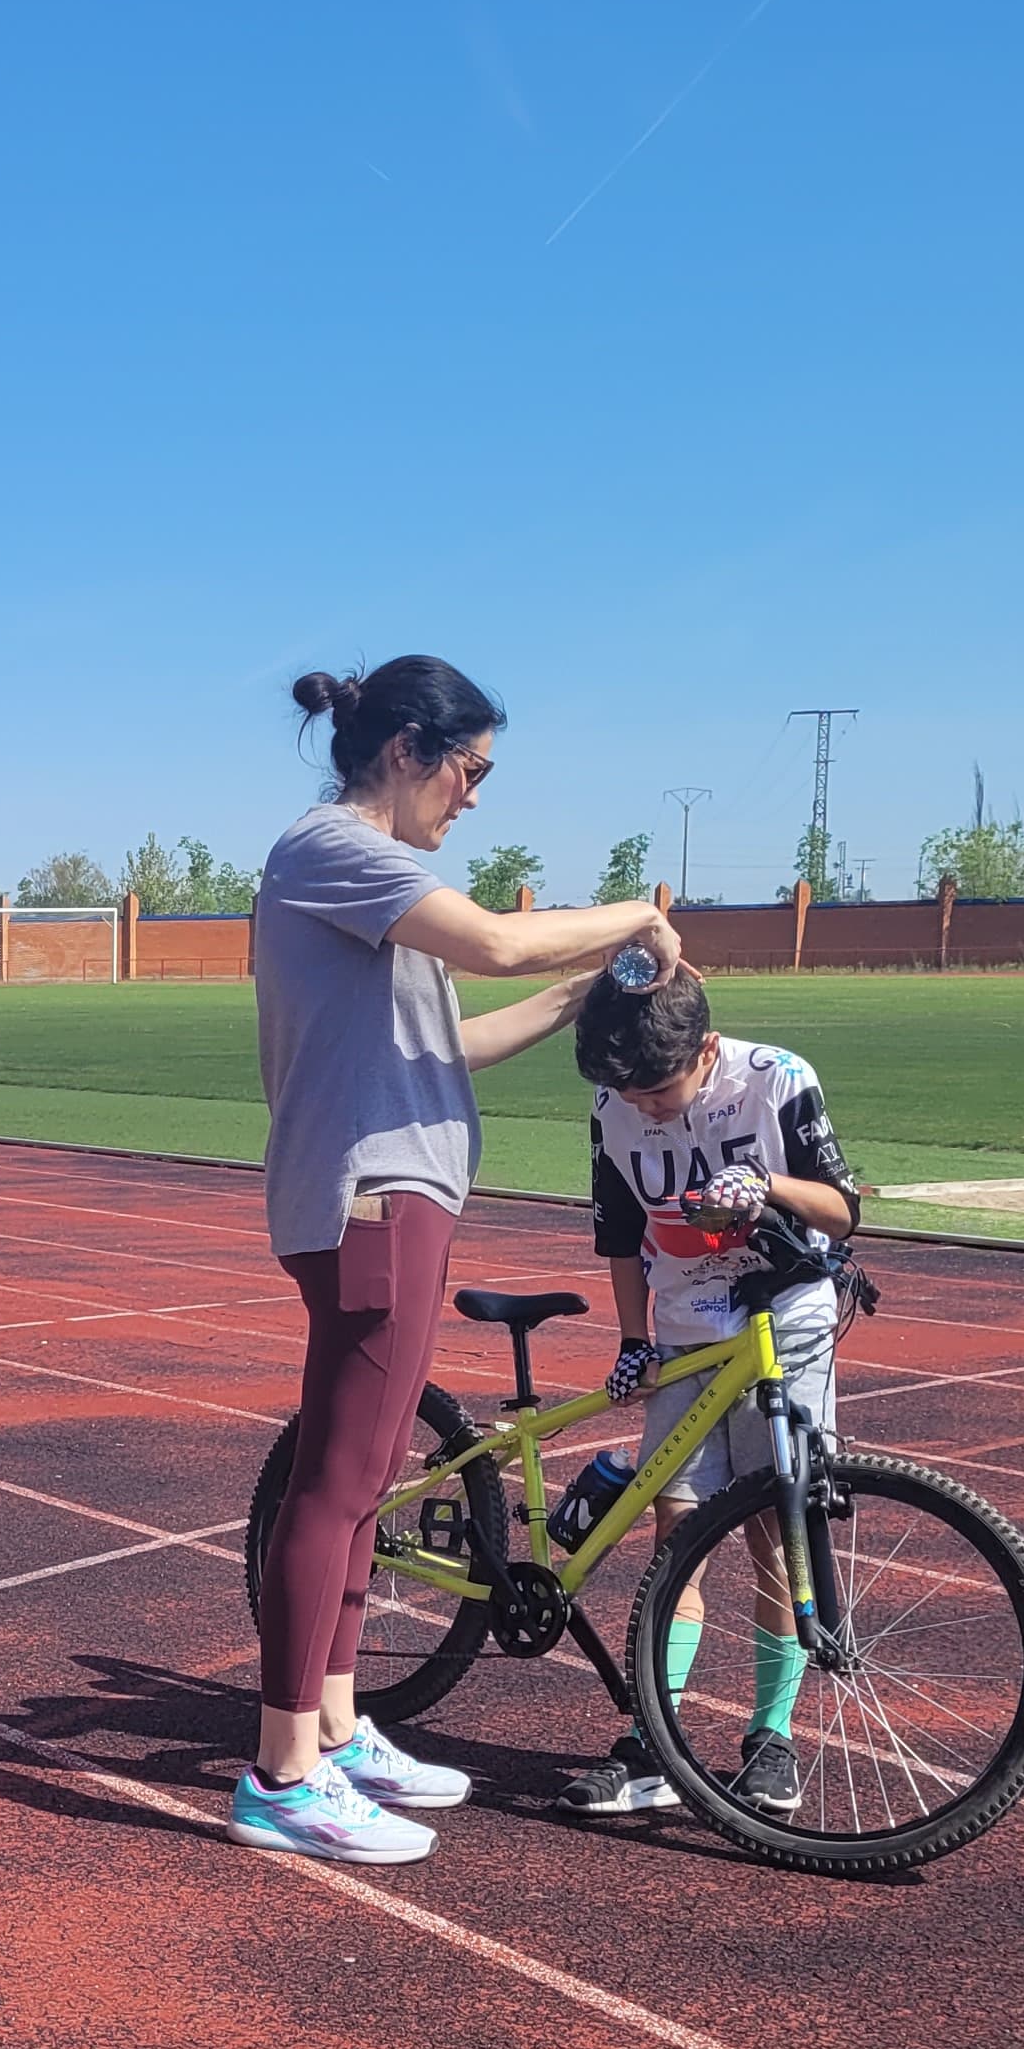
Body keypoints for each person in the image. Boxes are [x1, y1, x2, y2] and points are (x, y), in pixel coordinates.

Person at [238, 657, 682, 1864]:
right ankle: (283, 1770)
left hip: (401, 1193)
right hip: (370, 1199)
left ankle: (331, 1724)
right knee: (335, 1484)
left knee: (368, 1480)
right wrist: (637, 915)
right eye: (471, 770)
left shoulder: (373, 882)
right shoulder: (336, 852)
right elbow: (493, 942)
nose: (474, 798)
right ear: (406, 751)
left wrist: (583, 991)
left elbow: (450, 1040)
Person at [559, 967, 863, 1822]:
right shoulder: (613, 1105)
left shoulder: (779, 1081)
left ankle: (771, 1739)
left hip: (784, 1325)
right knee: (676, 1534)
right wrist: (632, 1339)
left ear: (708, 1051)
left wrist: (767, 1187)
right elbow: (619, 1234)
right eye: (626, 1091)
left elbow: (842, 1210)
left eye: (659, 1088)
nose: (644, 1106)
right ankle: (655, 1738)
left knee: (776, 1532)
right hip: (687, 1332)